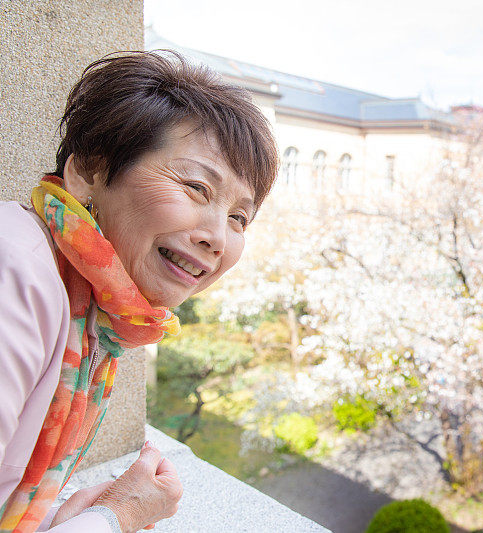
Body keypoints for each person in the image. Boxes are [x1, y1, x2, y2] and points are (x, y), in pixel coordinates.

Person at [0, 51, 278, 532]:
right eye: (195, 187)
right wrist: (119, 515)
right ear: (90, 171)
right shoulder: (15, 270)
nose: (217, 236)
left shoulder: (92, 319)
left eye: (239, 217)